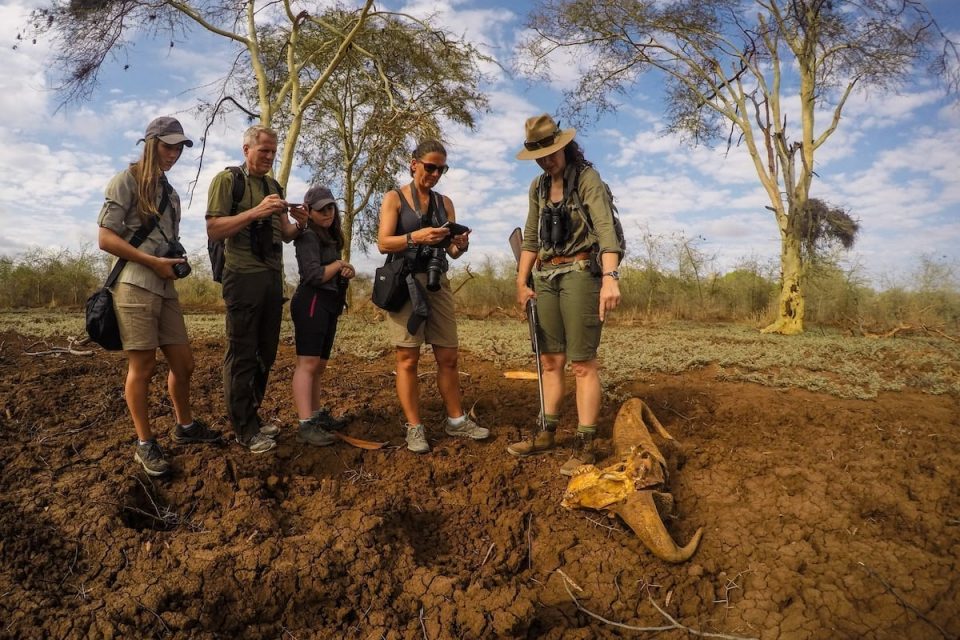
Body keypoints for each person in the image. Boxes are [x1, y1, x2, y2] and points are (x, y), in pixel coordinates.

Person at [97, 116, 221, 476]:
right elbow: (106, 238)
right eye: (168, 146)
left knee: (184, 364)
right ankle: (145, 444)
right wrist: (152, 260)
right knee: (144, 366)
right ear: (150, 143)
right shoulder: (127, 180)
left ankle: (185, 427)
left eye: (179, 147)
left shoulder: (171, 193)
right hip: (135, 283)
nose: (175, 153)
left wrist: (173, 259)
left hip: (165, 286)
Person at [507, 113, 622, 476]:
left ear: (565, 145)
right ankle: (547, 431)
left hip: (580, 273)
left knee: (582, 363)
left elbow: (606, 232)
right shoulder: (538, 187)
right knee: (549, 360)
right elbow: (529, 237)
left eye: (552, 151)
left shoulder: (588, 179)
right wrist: (521, 281)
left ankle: (586, 443)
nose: (547, 159)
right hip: (545, 277)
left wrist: (610, 277)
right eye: (540, 154)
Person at [376, 139, 490, 453]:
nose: (436, 174)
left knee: (448, 356)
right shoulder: (394, 198)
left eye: (442, 169)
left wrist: (461, 245)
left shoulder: (445, 202)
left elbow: (452, 251)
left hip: (437, 280)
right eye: (430, 167)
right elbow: (384, 243)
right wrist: (416, 236)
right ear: (413, 163)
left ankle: (456, 420)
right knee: (408, 358)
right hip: (405, 281)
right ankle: (415, 427)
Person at [206, 125, 306, 453]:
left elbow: (287, 233)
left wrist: (300, 221)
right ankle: (244, 429)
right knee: (242, 353)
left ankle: (253, 416)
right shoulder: (228, 181)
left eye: (273, 152)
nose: (268, 157)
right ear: (246, 149)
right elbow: (215, 228)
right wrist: (256, 211)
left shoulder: (273, 185)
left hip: (271, 279)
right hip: (242, 277)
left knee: (267, 352)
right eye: (263, 150)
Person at [290, 185, 356, 446]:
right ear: (310, 212)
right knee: (307, 365)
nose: (327, 213)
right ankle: (306, 425)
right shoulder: (307, 237)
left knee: (319, 366)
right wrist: (339, 265)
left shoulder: (332, 237)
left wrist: (344, 271)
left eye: (330, 207)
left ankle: (316, 416)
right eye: (321, 209)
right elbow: (314, 275)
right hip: (311, 302)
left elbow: (328, 272)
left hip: (329, 303)